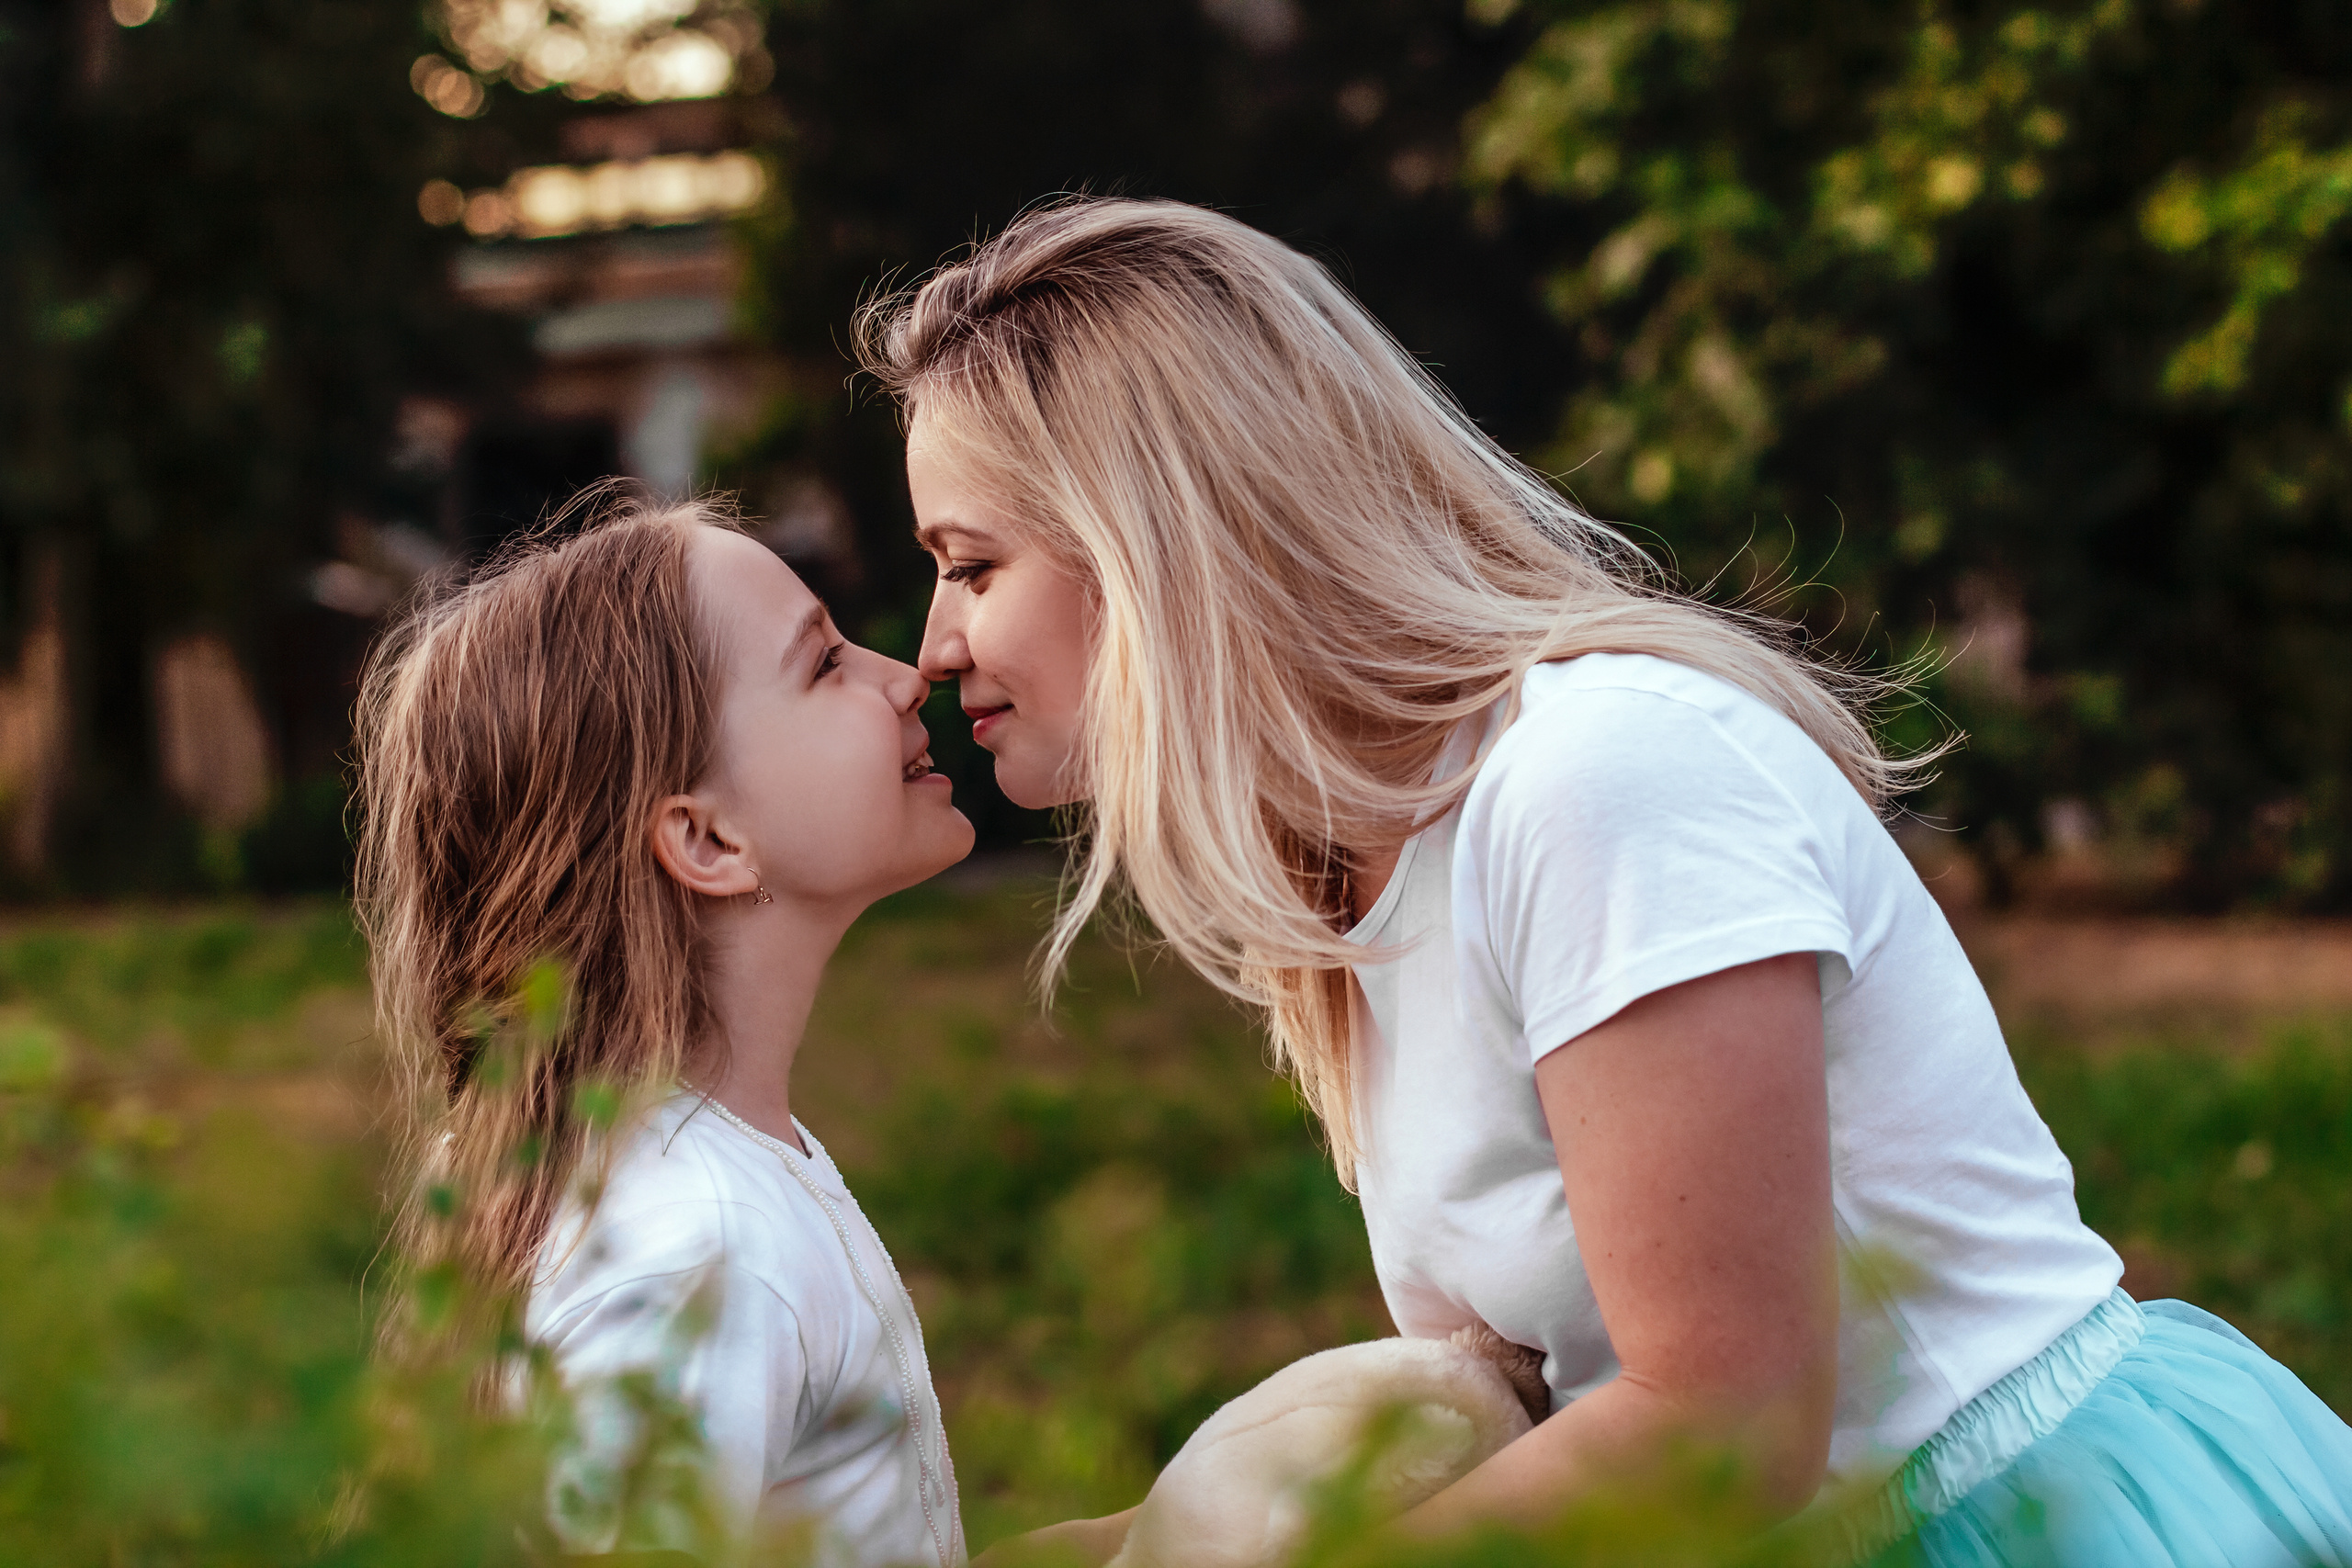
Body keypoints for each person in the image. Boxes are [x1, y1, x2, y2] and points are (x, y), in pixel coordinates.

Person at [857, 199, 2352, 1567]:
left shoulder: (1598, 778)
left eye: (969, 563)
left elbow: (1728, 1422)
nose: (932, 645)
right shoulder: (1355, 875)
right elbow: (1537, 1406)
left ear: (1159, 537)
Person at [355, 498, 974, 1567]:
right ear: (705, 838)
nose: (905, 674)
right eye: (823, 664)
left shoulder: (716, 1180)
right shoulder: (700, 1244)